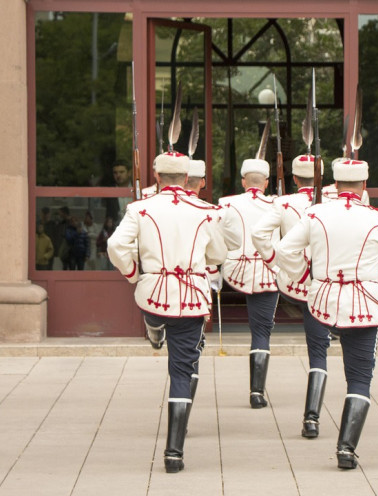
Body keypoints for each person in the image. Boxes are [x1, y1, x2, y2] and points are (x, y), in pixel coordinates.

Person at [274, 158, 378, 469]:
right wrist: (374, 264)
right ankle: (346, 450)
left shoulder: (315, 213)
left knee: (318, 356)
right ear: (364, 186)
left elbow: (285, 250)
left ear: (334, 184)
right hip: (363, 305)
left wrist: (302, 275)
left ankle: (313, 418)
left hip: (322, 301)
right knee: (360, 378)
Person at [107, 151, 226, 474]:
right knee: (181, 373)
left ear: (157, 178)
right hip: (190, 296)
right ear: (187, 179)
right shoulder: (205, 211)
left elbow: (116, 246)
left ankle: (154, 325)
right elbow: (218, 252)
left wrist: (134, 273)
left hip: (154, 292)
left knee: (155, 315)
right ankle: (174, 453)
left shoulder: (140, 208)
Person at [252, 153, 331, 437]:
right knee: (319, 352)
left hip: (296, 284)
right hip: (329, 285)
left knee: (317, 347)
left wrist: (277, 262)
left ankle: (311, 418)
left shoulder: (282, 202)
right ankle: (312, 418)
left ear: (295, 179)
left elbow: (259, 234)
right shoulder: (334, 202)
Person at [218, 156, 279, 409]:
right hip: (268, 270)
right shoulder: (278, 204)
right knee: (261, 332)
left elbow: (216, 236)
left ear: (243, 181)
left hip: (236, 271)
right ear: (266, 182)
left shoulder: (225, 204)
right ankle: (256, 392)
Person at [105, 161, 134, 227]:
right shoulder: (110, 193)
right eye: (115, 173)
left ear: (129, 173)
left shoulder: (136, 190)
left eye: (121, 172)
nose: (118, 175)